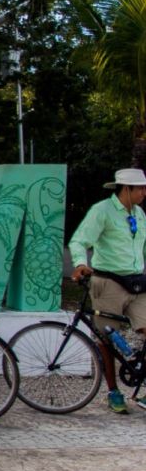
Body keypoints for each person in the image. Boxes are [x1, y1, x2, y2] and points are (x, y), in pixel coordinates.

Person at [69, 167, 146, 414]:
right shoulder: (102, 211)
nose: (144, 193)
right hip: (108, 280)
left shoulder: (140, 214)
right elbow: (80, 240)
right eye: (140, 188)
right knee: (105, 338)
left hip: (137, 282)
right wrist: (81, 263)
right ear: (126, 188)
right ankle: (113, 391)